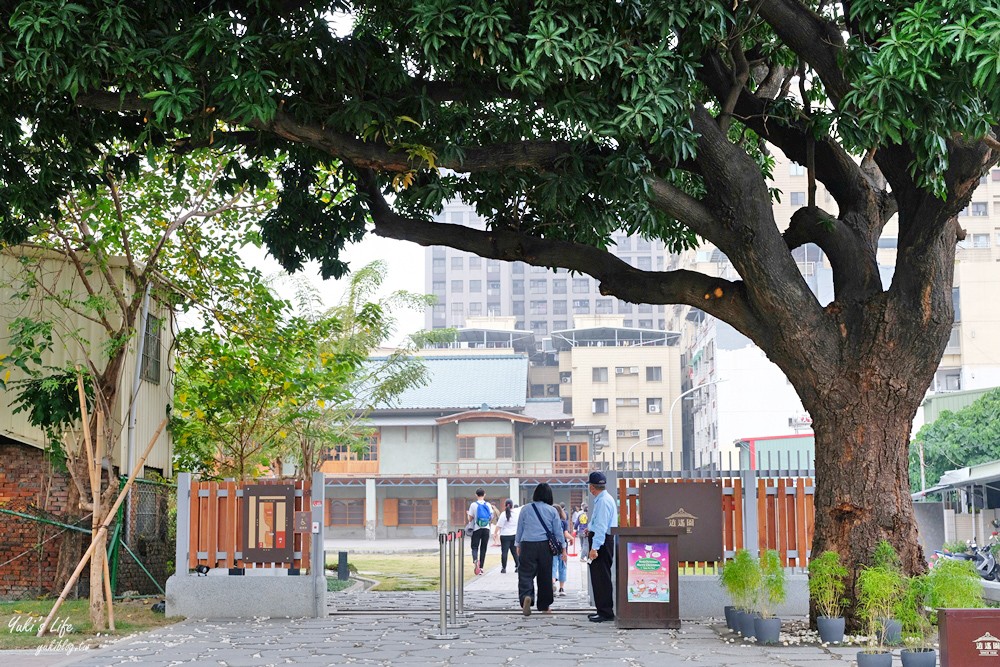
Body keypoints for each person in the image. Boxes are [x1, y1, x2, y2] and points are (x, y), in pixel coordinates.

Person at [514, 482, 566, 617]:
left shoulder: (525, 509)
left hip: (527, 544)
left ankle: (527, 597)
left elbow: (520, 528)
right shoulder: (552, 510)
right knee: (545, 575)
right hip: (544, 546)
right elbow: (558, 532)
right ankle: (544, 605)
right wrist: (563, 548)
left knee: (525, 574)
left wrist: (518, 544)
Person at [586, 471, 618, 622]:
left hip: (602, 541)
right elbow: (598, 523)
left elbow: (601, 526)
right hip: (603, 539)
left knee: (601, 577)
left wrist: (595, 547)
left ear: (592, 487)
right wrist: (590, 528)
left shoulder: (603, 501)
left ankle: (605, 612)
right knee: (600, 576)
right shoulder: (605, 498)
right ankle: (602, 609)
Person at [467, 488, 495, 575]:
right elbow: (491, 517)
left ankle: (475, 559)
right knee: (483, 548)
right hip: (486, 528)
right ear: (484, 494)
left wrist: (468, 514)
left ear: (476, 495)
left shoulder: (473, 505)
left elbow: (470, 519)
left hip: (476, 528)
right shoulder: (488, 504)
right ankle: (481, 567)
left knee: (475, 547)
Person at [552, 504, 573, 596]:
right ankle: (561, 588)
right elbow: (565, 534)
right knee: (562, 567)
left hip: (551, 547)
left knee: (552, 566)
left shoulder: (550, 522)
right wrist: (572, 538)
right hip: (562, 547)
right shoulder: (563, 522)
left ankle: (552, 583)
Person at [494, 499, 520, 573]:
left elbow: (499, 525)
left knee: (504, 552)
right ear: (512, 505)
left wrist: (495, 533)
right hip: (514, 535)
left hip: (505, 536)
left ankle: (504, 568)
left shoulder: (503, 514)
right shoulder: (516, 514)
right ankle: (518, 566)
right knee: (515, 552)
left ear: (505, 505)